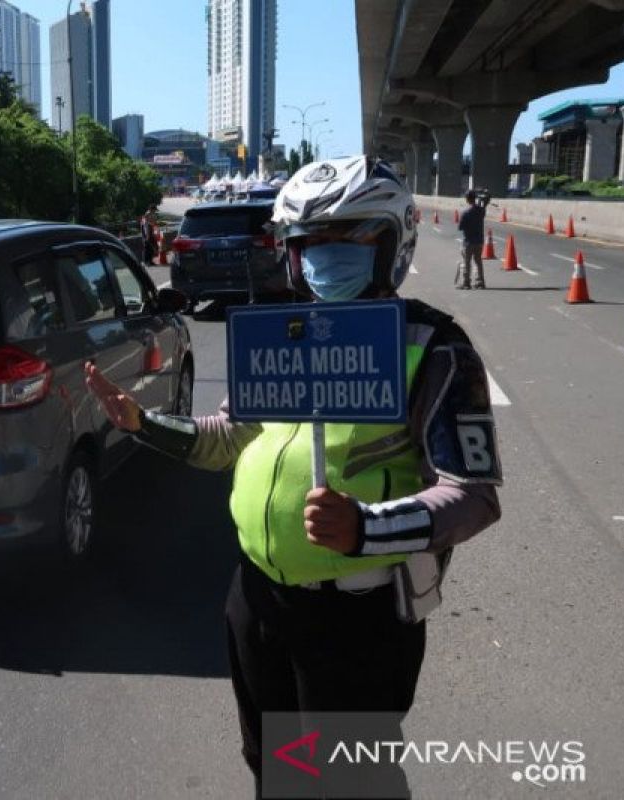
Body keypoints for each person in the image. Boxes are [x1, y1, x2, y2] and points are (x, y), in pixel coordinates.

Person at [86, 156, 502, 798]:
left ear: (392, 244)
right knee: (274, 766)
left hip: (358, 614)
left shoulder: (432, 346)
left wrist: (365, 528)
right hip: (257, 597)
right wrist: (144, 423)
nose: (323, 257)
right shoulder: (281, 336)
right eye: (309, 243)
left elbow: (471, 497)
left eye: (349, 239)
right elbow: (227, 439)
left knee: (349, 782)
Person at [455, 189, 486, 289]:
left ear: (467, 199)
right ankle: (480, 282)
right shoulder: (481, 211)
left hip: (468, 241)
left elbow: (460, 227)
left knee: (467, 262)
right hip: (479, 241)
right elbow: (483, 208)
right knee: (478, 261)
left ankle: (466, 283)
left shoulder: (466, 213)